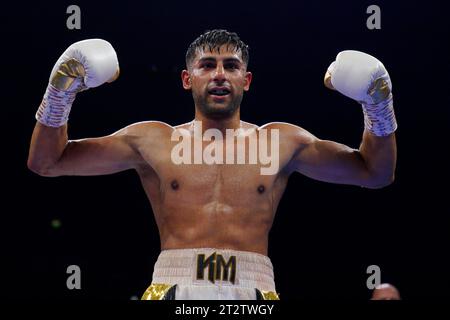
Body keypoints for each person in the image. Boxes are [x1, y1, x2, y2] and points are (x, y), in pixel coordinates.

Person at [27, 30, 397, 300]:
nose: (219, 73)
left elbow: (375, 173)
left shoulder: (281, 141)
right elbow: (47, 162)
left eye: (231, 66)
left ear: (246, 80)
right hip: (173, 284)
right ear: (188, 79)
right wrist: (59, 91)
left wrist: (378, 106)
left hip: (254, 292)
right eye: (207, 65)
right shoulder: (152, 139)